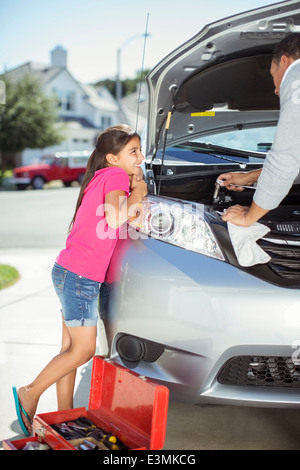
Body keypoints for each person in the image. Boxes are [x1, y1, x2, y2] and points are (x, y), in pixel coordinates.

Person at [12, 124, 147, 436]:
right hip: (80, 277)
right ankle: (29, 393)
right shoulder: (115, 177)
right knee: (83, 351)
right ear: (113, 158)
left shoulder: (101, 177)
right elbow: (116, 218)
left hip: (70, 271)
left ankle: (63, 416)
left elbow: (119, 218)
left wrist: (135, 200)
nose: (140, 157)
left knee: (68, 350)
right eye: (133, 152)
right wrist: (139, 190)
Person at [218, 33, 300, 227]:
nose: (276, 90)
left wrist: (249, 217)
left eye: (273, 75)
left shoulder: (296, 74)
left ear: (285, 61)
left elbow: (286, 159)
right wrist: (251, 177)